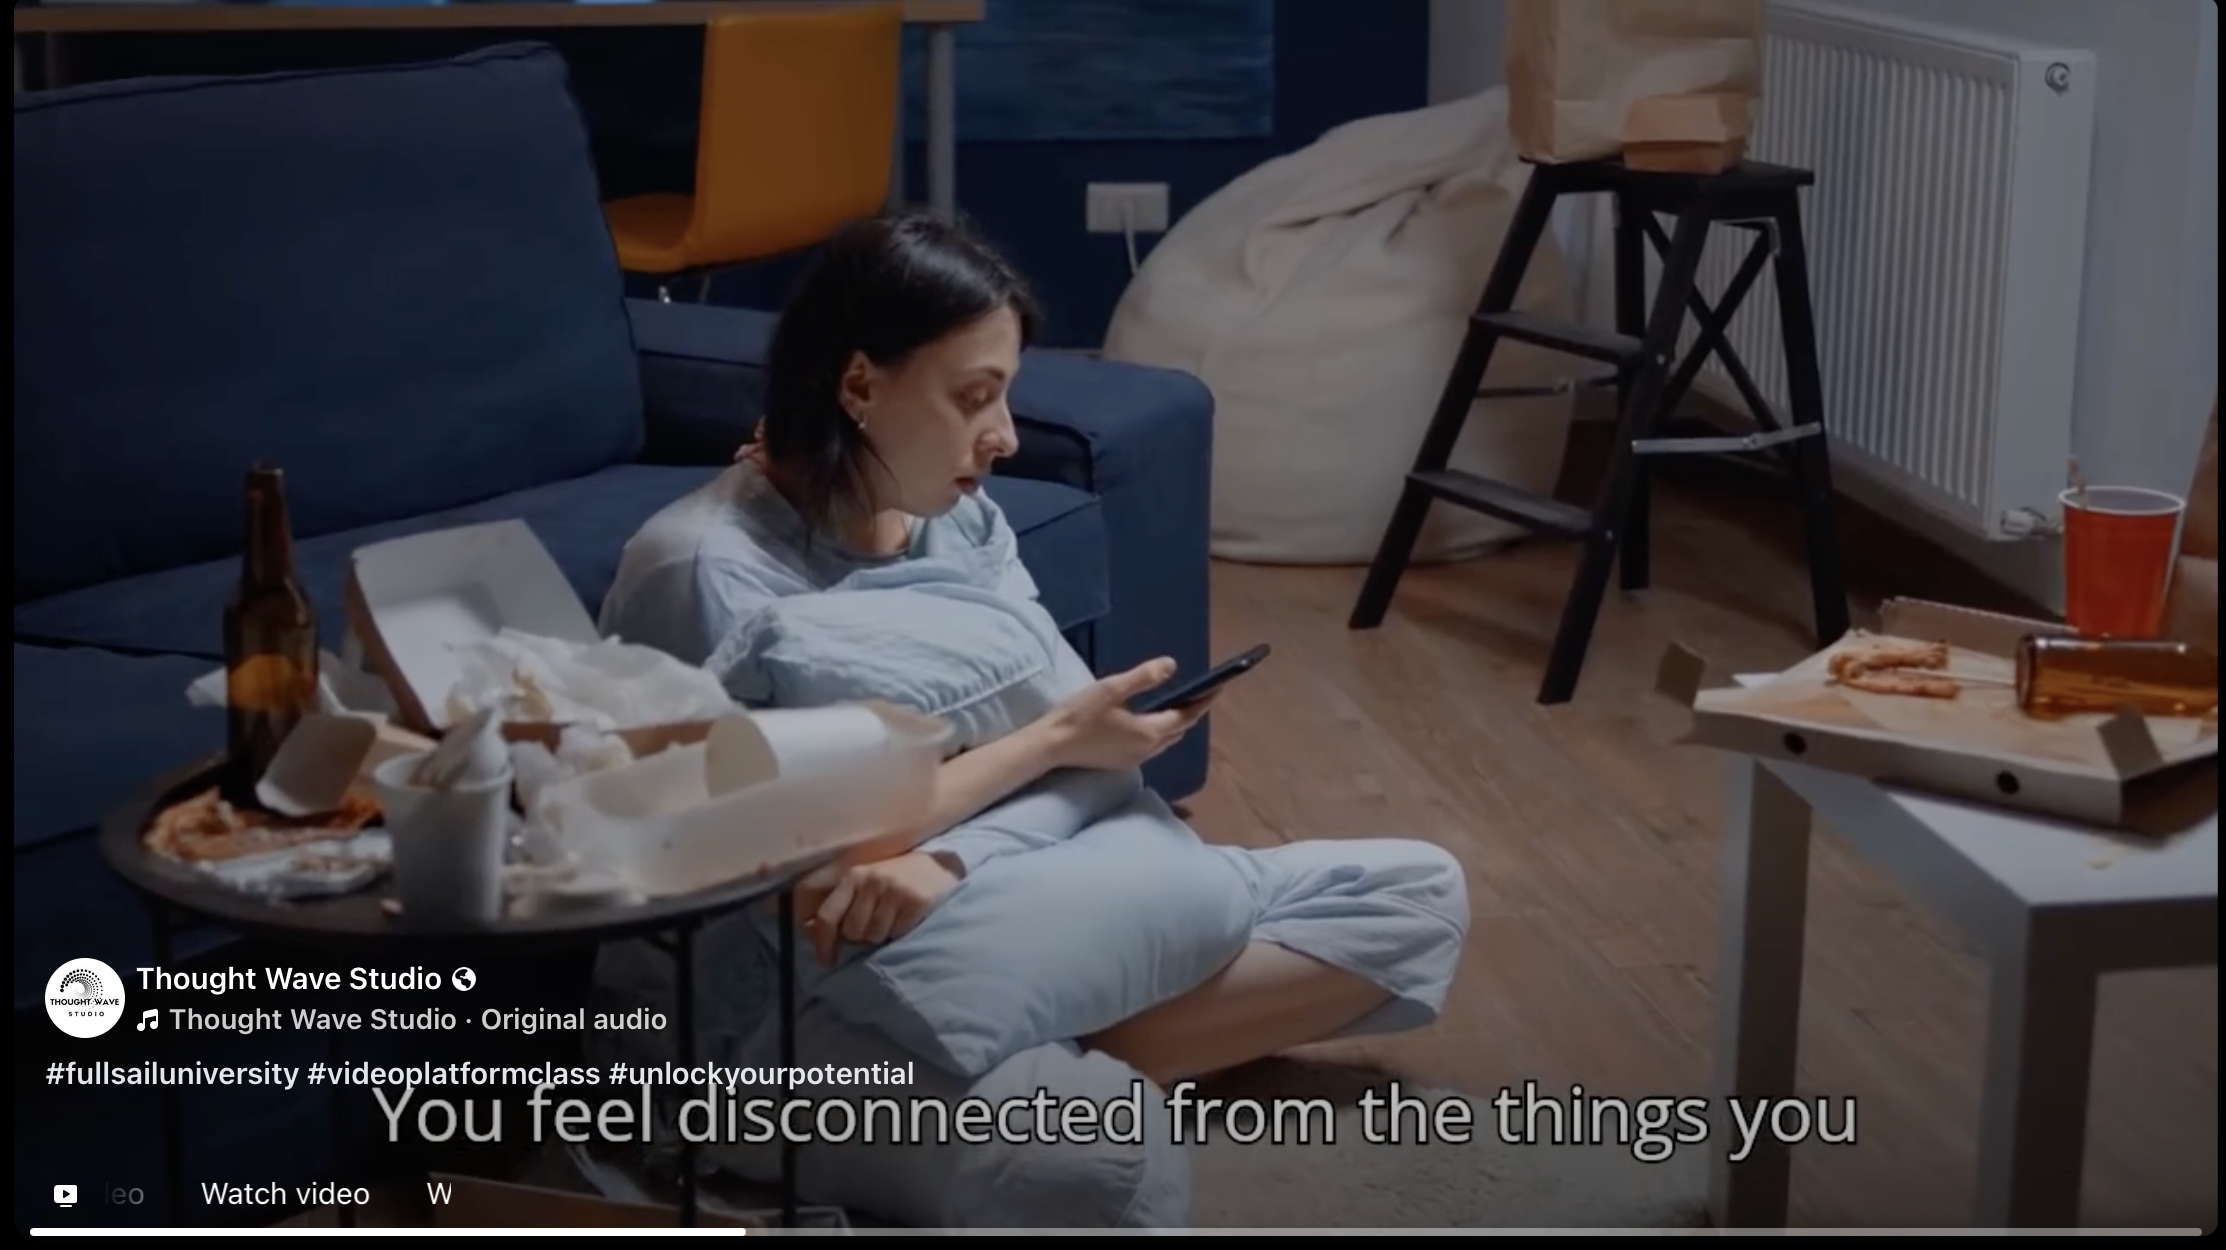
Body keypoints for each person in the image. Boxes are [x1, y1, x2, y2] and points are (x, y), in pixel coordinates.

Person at [600, 210, 1469, 1228]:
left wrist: (957, 851)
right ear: (859, 384)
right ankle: (1033, 1079)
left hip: (998, 911)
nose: (1005, 436)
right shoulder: (705, 570)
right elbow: (783, 869)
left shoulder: (959, 522)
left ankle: (1037, 1061)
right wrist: (1045, 751)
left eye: (1005, 395)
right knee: (1105, 1167)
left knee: (1418, 898)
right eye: (976, 397)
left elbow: (1090, 761)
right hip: (778, 1018)